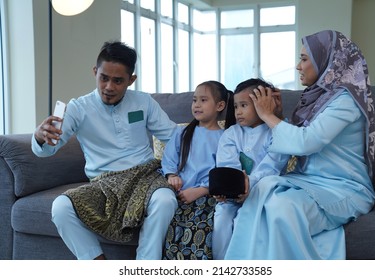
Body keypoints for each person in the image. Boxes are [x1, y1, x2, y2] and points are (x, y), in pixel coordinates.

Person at [223, 30, 375, 259]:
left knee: (279, 208)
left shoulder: (346, 100)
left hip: (342, 186)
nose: (298, 66)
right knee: (263, 193)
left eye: (304, 59)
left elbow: (307, 142)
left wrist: (267, 116)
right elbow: (292, 138)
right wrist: (278, 114)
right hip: (308, 182)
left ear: (327, 61)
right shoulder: (316, 98)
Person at [31, 41, 178, 260]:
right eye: (104, 78)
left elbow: (175, 137)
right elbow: (47, 151)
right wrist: (39, 137)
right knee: (61, 207)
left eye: (118, 81)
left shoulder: (143, 102)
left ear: (131, 80)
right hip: (103, 184)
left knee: (165, 200)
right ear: (95, 72)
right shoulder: (78, 108)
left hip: (146, 176)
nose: (109, 87)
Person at [212, 78, 289, 260]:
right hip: (232, 196)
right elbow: (227, 166)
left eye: (244, 105)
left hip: (264, 194)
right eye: (236, 106)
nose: (238, 112)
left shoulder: (278, 131)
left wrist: (249, 186)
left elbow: (272, 166)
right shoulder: (231, 134)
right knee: (221, 220)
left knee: (245, 222)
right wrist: (227, 188)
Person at [161, 80, 235, 260]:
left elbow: (224, 171)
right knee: (173, 230)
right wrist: (172, 175)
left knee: (203, 228)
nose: (197, 105)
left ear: (220, 105)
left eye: (203, 100)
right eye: (195, 100)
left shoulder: (225, 137)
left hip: (208, 196)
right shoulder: (182, 133)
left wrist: (201, 190)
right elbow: (169, 159)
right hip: (180, 194)